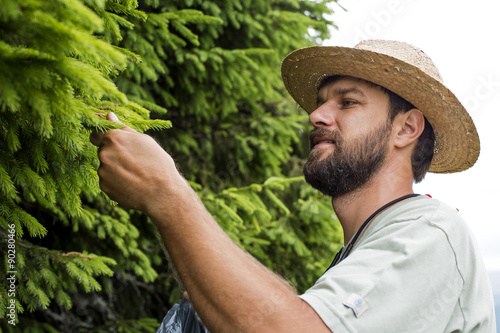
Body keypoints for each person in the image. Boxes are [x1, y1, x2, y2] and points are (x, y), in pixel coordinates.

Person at [93, 40, 496, 332]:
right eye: (321, 102)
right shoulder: (369, 248)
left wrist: (168, 194)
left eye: (347, 102)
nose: (317, 114)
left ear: (406, 128)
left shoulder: (429, 232)